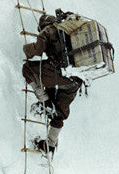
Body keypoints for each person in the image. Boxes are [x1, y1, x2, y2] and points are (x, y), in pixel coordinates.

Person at [22, 14, 82, 154]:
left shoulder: (48, 30)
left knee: (28, 69)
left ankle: (44, 101)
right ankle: (50, 145)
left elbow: (37, 49)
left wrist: (25, 49)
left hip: (61, 75)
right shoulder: (68, 31)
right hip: (76, 80)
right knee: (59, 113)